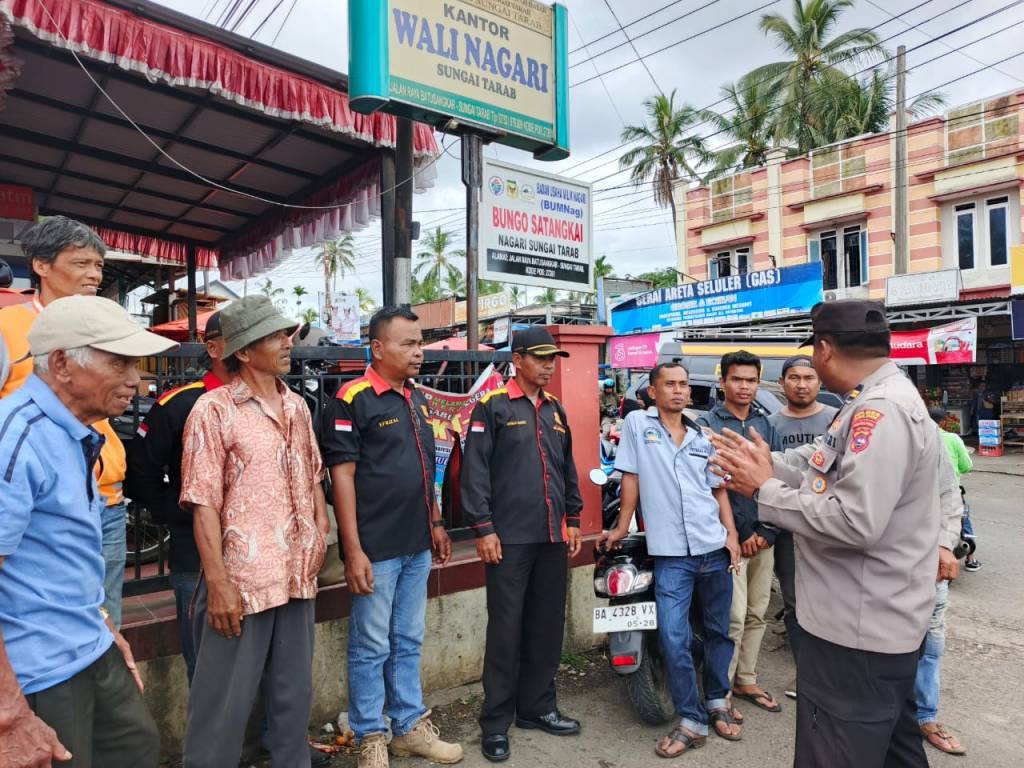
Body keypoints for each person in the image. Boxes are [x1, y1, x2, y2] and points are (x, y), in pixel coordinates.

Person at [708, 299, 940, 768]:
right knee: (895, 751)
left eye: (813, 352)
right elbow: (821, 465)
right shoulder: (872, 400)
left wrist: (765, 490)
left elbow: (855, 521)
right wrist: (767, 462)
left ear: (826, 349)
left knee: (836, 752)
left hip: (856, 632)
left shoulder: (881, 412)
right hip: (875, 623)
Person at [0, 295, 172, 767]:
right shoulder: (15, 438)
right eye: (119, 363)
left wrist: (105, 628)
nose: (135, 380)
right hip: (37, 673)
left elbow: (64, 553)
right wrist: (8, 713)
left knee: (137, 749)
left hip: (89, 646)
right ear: (61, 364)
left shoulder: (75, 431)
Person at [180, 296, 330, 768]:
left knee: (292, 699)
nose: (288, 343)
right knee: (221, 709)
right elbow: (203, 503)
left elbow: (312, 476)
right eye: (275, 336)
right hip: (242, 585)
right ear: (243, 351)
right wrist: (220, 583)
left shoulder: (298, 407)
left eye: (287, 334)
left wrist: (320, 531)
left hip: (296, 578)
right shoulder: (213, 410)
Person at [321, 306, 462, 768]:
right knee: (371, 645)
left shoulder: (416, 397)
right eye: (408, 344)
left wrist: (436, 522)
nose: (419, 352)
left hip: (417, 542)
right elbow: (342, 478)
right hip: (376, 549)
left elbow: (427, 469)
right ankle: (370, 735)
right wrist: (353, 549)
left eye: (420, 344)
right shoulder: (351, 398)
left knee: (408, 639)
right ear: (378, 348)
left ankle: (407, 727)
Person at [601, 362, 742, 756]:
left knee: (718, 631)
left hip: (712, 547)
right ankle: (692, 719)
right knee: (673, 636)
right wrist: (621, 525)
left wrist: (730, 535)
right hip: (671, 555)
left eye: (683, 385)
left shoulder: (702, 435)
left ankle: (717, 701)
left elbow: (718, 490)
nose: (679, 391)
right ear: (652, 390)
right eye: (670, 384)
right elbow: (629, 475)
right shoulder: (637, 425)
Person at [461, 326, 583, 763]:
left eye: (553, 358)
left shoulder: (555, 409)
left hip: (552, 535)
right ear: (518, 360)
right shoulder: (491, 407)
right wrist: (484, 528)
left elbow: (567, 467)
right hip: (509, 540)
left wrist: (573, 519)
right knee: (506, 633)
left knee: (547, 626)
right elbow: (474, 472)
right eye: (541, 357)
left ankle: (537, 708)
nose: (549, 365)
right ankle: (495, 722)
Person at [0, 217, 129, 628]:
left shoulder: (107, 324)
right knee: (42, 627)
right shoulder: (8, 327)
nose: (93, 274)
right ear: (40, 265)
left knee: (107, 630)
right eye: (81, 263)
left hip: (106, 502)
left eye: (99, 265)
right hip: (38, 509)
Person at [125, 313, 230, 684]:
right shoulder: (180, 404)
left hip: (262, 557)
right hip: (196, 558)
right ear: (214, 348)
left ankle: (270, 739)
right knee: (206, 664)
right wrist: (181, 512)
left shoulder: (280, 402)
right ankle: (211, 743)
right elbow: (139, 474)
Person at [698, 350, 780, 717]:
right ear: (723, 382)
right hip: (727, 538)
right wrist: (742, 531)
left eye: (750, 380)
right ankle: (721, 690)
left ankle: (746, 678)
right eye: (737, 379)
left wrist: (766, 529)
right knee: (730, 617)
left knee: (758, 612)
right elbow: (714, 484)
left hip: (765, 535)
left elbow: (777, 480)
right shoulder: (707, 425)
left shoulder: (766, 425)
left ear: (758, 383)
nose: (744, 386)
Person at [767, 355, 837, 698]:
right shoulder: (770, 424)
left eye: (808, 377)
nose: (801, 384)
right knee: (795, 602)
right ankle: (806, 674)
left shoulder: (836, 420)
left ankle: (837, 671)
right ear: (782, 383)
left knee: (834, 598)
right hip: (787, 526)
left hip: (830, 523)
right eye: (793, 377)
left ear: (819, 382)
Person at [915, 416, 969, 757]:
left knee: (931, 645)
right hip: (883, 571)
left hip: (929, 567)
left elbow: (952, 499)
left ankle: (926, 717)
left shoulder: (936, 443)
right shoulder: (867, 439)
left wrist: (946, 546)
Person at [929, 406, 980, 571]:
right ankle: (971, 559)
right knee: (963, 520)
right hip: (950, 492)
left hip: (924, 494)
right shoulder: (953, 439)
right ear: (943, 421)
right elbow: (966, 466)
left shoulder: (918, 437)